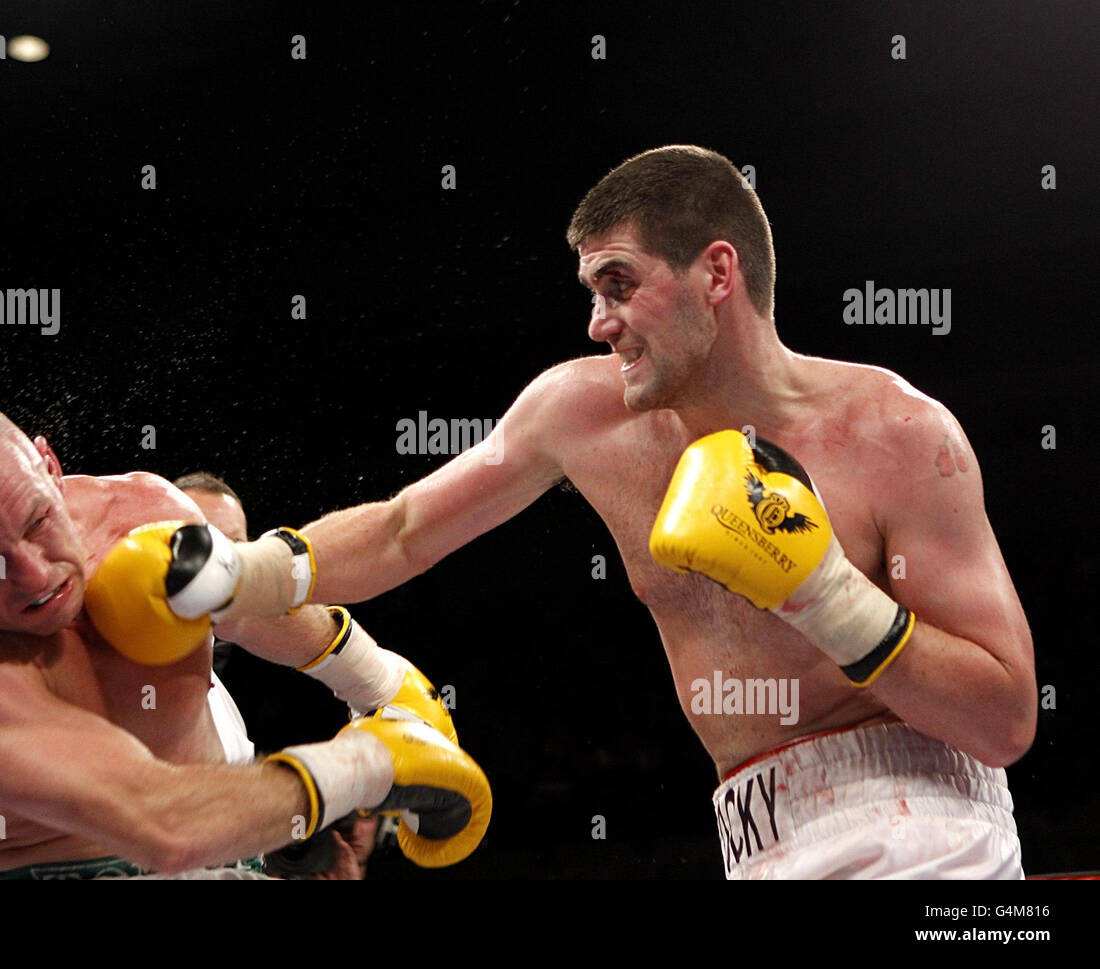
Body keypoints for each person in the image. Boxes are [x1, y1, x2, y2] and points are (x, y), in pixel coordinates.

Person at [203, 146, 1036, 878]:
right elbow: (400, 529)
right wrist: (232, 575)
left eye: (619, 285)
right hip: (753, 832)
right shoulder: (582, 415)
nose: (599, 322)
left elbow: (1003, 721)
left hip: (926, 823)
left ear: (716, 273)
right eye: (593, 290)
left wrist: (828, 594)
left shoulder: (896, 433)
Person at [0, 398, 488, 879]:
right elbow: (158, 822)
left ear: (50, 466)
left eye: (37, 521)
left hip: (232, 852)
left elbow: (247, 607)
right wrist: (374, 764)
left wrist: (379, 681)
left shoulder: (144, 512)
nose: (35, 575)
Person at [174, 471, 381, 878]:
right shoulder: (107, 675)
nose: (211, 567)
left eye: (232, 549)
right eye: (197, 542)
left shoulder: (221, 699)